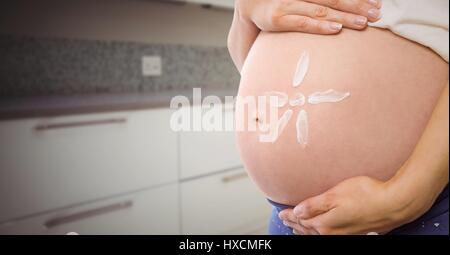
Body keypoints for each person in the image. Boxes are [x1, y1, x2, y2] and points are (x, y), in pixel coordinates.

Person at [228, 0, 449, 235]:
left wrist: (407, 196)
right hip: (289, 218)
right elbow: (245, 55)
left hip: (419, 205)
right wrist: (243, 12)